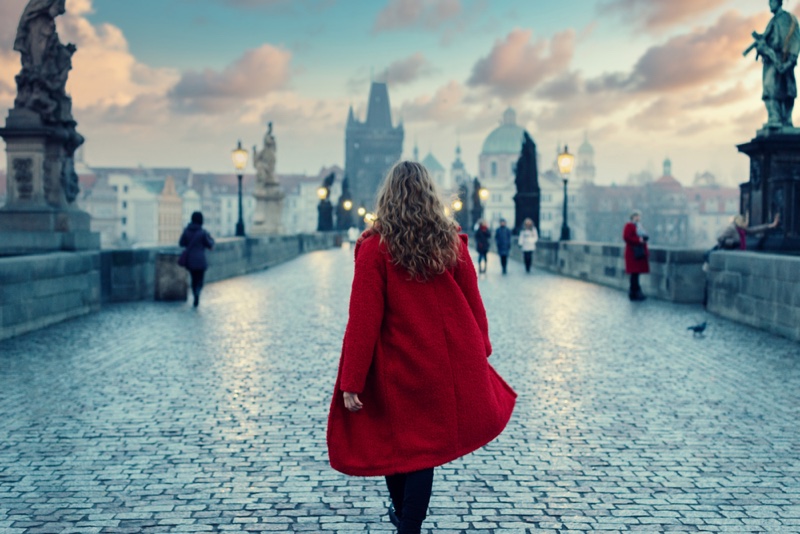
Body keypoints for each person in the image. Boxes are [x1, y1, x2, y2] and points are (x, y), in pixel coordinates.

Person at [326, 161, 517, 534]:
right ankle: (407, 522)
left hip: (395, 367)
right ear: (431, 196)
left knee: (397, 444)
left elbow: (363, 321)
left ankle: (406, 521)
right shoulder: (449, 241)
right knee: (423, 449)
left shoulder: (375, 248)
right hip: (439, 365)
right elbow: (474, 304)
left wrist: (352, 379)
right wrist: (480, 350)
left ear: (388, 198)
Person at [179, 211, 215, 307]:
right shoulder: (202, 232)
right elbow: (210, 244)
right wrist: (211, 238)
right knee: (200, 280)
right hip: (200, 260)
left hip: (190, 260)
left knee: (193, 278)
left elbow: (181, 243)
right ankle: (197, 293)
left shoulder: (186, 230)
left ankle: (195, 293)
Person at [623, 210, 649, 302]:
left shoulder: (639, 226)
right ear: (632, 217)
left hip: (639, 252)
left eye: (638, 216)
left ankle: (634, 292)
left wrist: (643, 239)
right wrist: (639, 240)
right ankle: (636, 292)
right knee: (634, 273)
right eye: (636, 216)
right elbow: (626, 237)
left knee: (636, 273)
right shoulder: (629, 225)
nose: (638, 218)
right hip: (633, 253)